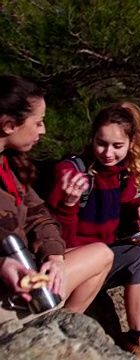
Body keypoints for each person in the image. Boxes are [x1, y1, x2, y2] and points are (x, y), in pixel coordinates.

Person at [45, 101, 140, 359]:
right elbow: (55, 237)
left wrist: (138, 207)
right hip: (78, 257)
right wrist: (68, 203)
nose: (108, 153)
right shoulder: (72, 174)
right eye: (101, 143)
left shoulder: (121, 173)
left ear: (131, 144)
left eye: (117, 146)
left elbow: (125, 200)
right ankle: (138, 339)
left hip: (107, 247)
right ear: (92, 138)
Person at [0, 74, 113, 322]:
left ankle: (58, 330)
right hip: (8, 290)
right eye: (38, 122)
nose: (43, 130)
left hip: (26, 277)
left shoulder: (8, 165)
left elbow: (39, 217)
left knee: (102, 253)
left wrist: (54, 256)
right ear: (9, 125)